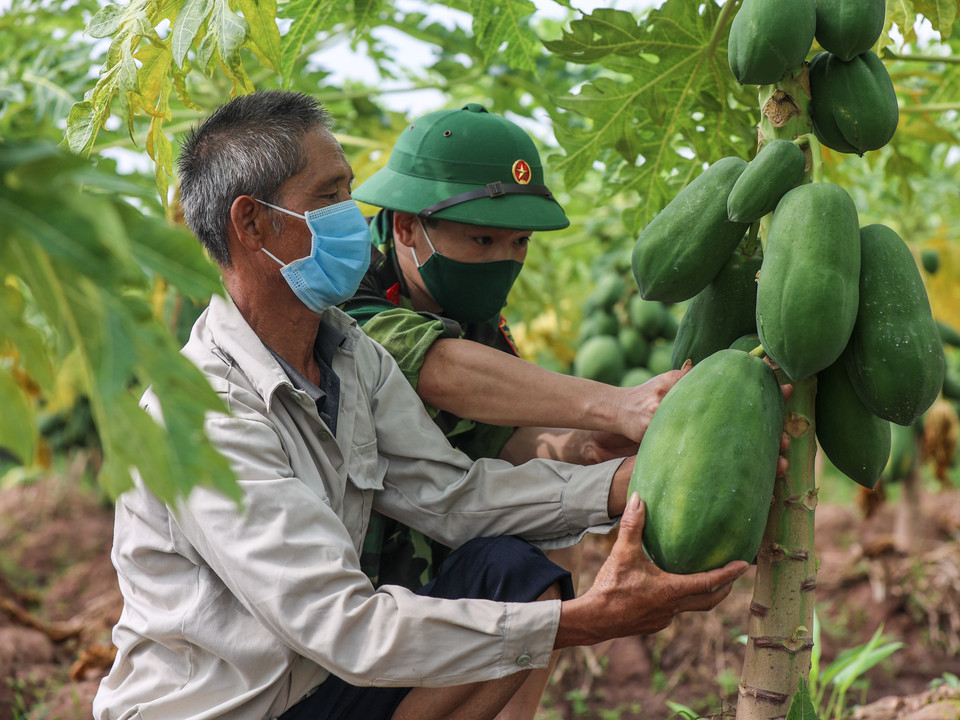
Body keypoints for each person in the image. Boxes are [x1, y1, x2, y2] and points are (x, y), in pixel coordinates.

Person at [92, 90, 766, 720]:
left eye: (349, 192)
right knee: (522, 614)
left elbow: (453, 498)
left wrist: (638, 484)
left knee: (510, 576)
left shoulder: (350, 356)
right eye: (329, 197)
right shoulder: (204, 415)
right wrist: (589, 618)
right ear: (253, 223)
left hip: (318, 686)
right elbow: (344, 626)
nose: (354, 218)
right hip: (231, 706)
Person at [343, 103, 688, 719]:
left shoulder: (472, 313)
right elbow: (432, 366)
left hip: (430, 564)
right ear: (405, 228)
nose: (503, 258)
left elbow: (501, 442)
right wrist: (614, 405)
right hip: (339, 609)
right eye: (482, 238)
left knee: (545, 543)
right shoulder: (346, 290)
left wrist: (583, 449)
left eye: (518, 241)